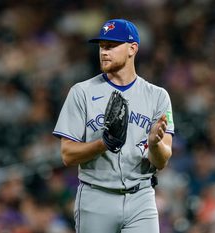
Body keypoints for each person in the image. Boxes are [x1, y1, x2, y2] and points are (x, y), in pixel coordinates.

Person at [53, 18, 174, 233]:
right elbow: (67, 155)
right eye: (101, 46)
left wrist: (154, 143)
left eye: (111, 46)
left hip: (141, 198)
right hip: (96, 197)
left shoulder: (158, 96)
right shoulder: (81, 92)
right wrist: (103, 143)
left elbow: (162, 160)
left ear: (132, 48)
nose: (104, 52)